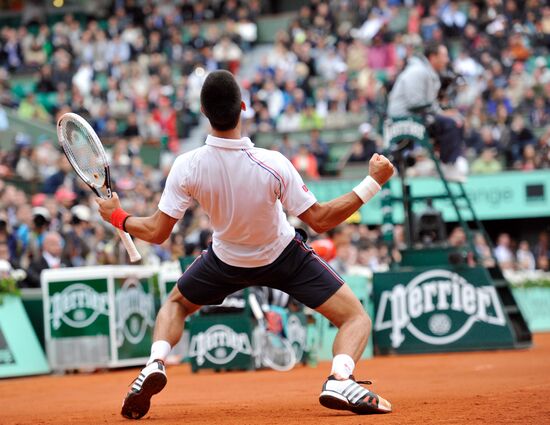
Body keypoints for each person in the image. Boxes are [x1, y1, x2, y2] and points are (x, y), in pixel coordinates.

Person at [96, 70, 394, 419]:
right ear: (243, 107)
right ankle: (340, 377)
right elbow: (321, 220)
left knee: (175, 305)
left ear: (204, 112)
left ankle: (155, 362)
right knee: (355, 317)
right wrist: (373, 183)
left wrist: (118, 217)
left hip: (224, 261)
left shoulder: (187, 166)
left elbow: (157, 232)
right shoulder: (273, 164)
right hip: (283, 256)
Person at [387, 42, 467, 182]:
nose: (447, 60)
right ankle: (446, 166)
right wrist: (441, 114)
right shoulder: (418, 71)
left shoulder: (427, 71)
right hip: (404, 119)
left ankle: (448, 163)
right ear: (433, 57)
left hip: (416, 115)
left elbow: (428, 104)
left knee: (457, 119)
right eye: (444, 56)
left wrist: (443, 112)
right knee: (451, 123)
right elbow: (416, 103)